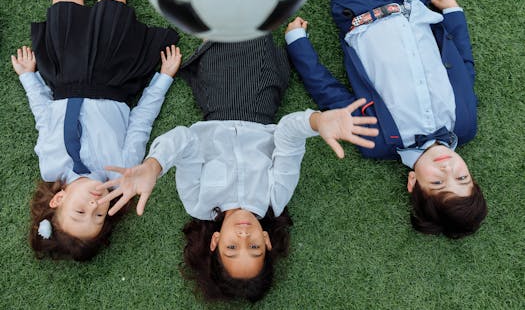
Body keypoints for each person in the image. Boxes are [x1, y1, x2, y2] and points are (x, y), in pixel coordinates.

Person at [96, 34, 379, 302]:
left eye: (232, 248)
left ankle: (215, 40)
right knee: (250, 22)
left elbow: (186, 141)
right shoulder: (275, 198)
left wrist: (153, 166)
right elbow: (287, 137)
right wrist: (318, 122)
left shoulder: (198, 203)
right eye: (254, 248)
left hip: (215, 103)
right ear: (267, 241)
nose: (244, 237)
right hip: (259, 99)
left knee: (225, 27)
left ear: (215, 241)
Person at [285, 0, 487, 238]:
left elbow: (330, 94)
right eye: (462, 177)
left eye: (438, 181)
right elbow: (465, 66)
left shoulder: (377, 143)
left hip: (358, 6)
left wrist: (298, 45)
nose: (448, 167)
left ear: (413, 182)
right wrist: (453, 12)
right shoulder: (465, 125)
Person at [11, 0, 180, 261]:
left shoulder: (51, 166)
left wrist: (28, 77)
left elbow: (44, 117)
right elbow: (142, 120)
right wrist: (163, 78)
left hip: (66, 75)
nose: (94, 205)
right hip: (110, 76)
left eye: (79, 212)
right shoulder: (122, 168)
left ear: (59, 199)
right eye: (99, 216)